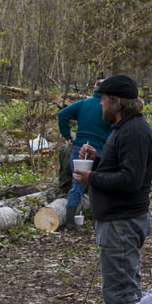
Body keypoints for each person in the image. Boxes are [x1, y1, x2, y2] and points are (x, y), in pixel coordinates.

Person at [74, 74, 152, 304]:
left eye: (104, 100)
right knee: (125, 289)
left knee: (122, 292)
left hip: (123, 221)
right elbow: (120, 167)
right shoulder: (124, 128)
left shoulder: (134, 131)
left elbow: (130, 180)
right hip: (119, 220)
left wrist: (91, 177)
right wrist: (97, 159)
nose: (101, 106)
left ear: (118, 102)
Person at [56, 78, 111, 224]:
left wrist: (68, 136)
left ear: (94, 90)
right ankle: (97, 219)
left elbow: (62, 115)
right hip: (99, 149)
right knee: (98, 184)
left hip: (79, 148)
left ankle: (69, 221)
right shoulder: (109, 107)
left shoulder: (83, 104)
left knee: (78, 183)